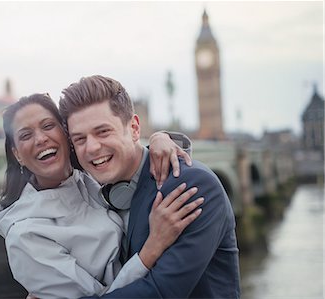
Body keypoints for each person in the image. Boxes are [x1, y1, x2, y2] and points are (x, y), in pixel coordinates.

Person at [0, 93, 203, 299]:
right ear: (17, 154)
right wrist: (152, 248)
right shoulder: (25, 236)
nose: (41, 139)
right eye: (26, 135)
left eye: (48, 126)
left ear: (66, 134)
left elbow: (131, 157)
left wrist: (159, 139)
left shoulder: (91, 176)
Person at [59, 75, 241, 298]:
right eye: (80, 139)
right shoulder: (96, 192)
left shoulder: (191, 186)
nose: (92, 147)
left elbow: (159, 292)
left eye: (103, 131)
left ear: (134, 128)